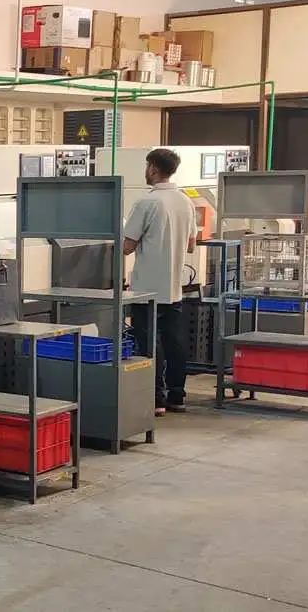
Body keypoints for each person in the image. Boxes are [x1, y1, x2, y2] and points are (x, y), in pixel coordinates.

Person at [123, 148, 197, 416]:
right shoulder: (185, 201)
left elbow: (127, 246)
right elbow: (191, 244)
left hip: (146, 290)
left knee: (148, 344)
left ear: (153, 168)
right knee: (174, 342)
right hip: (175, 287)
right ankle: (177, 396)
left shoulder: (146, 203)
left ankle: (155, 400)